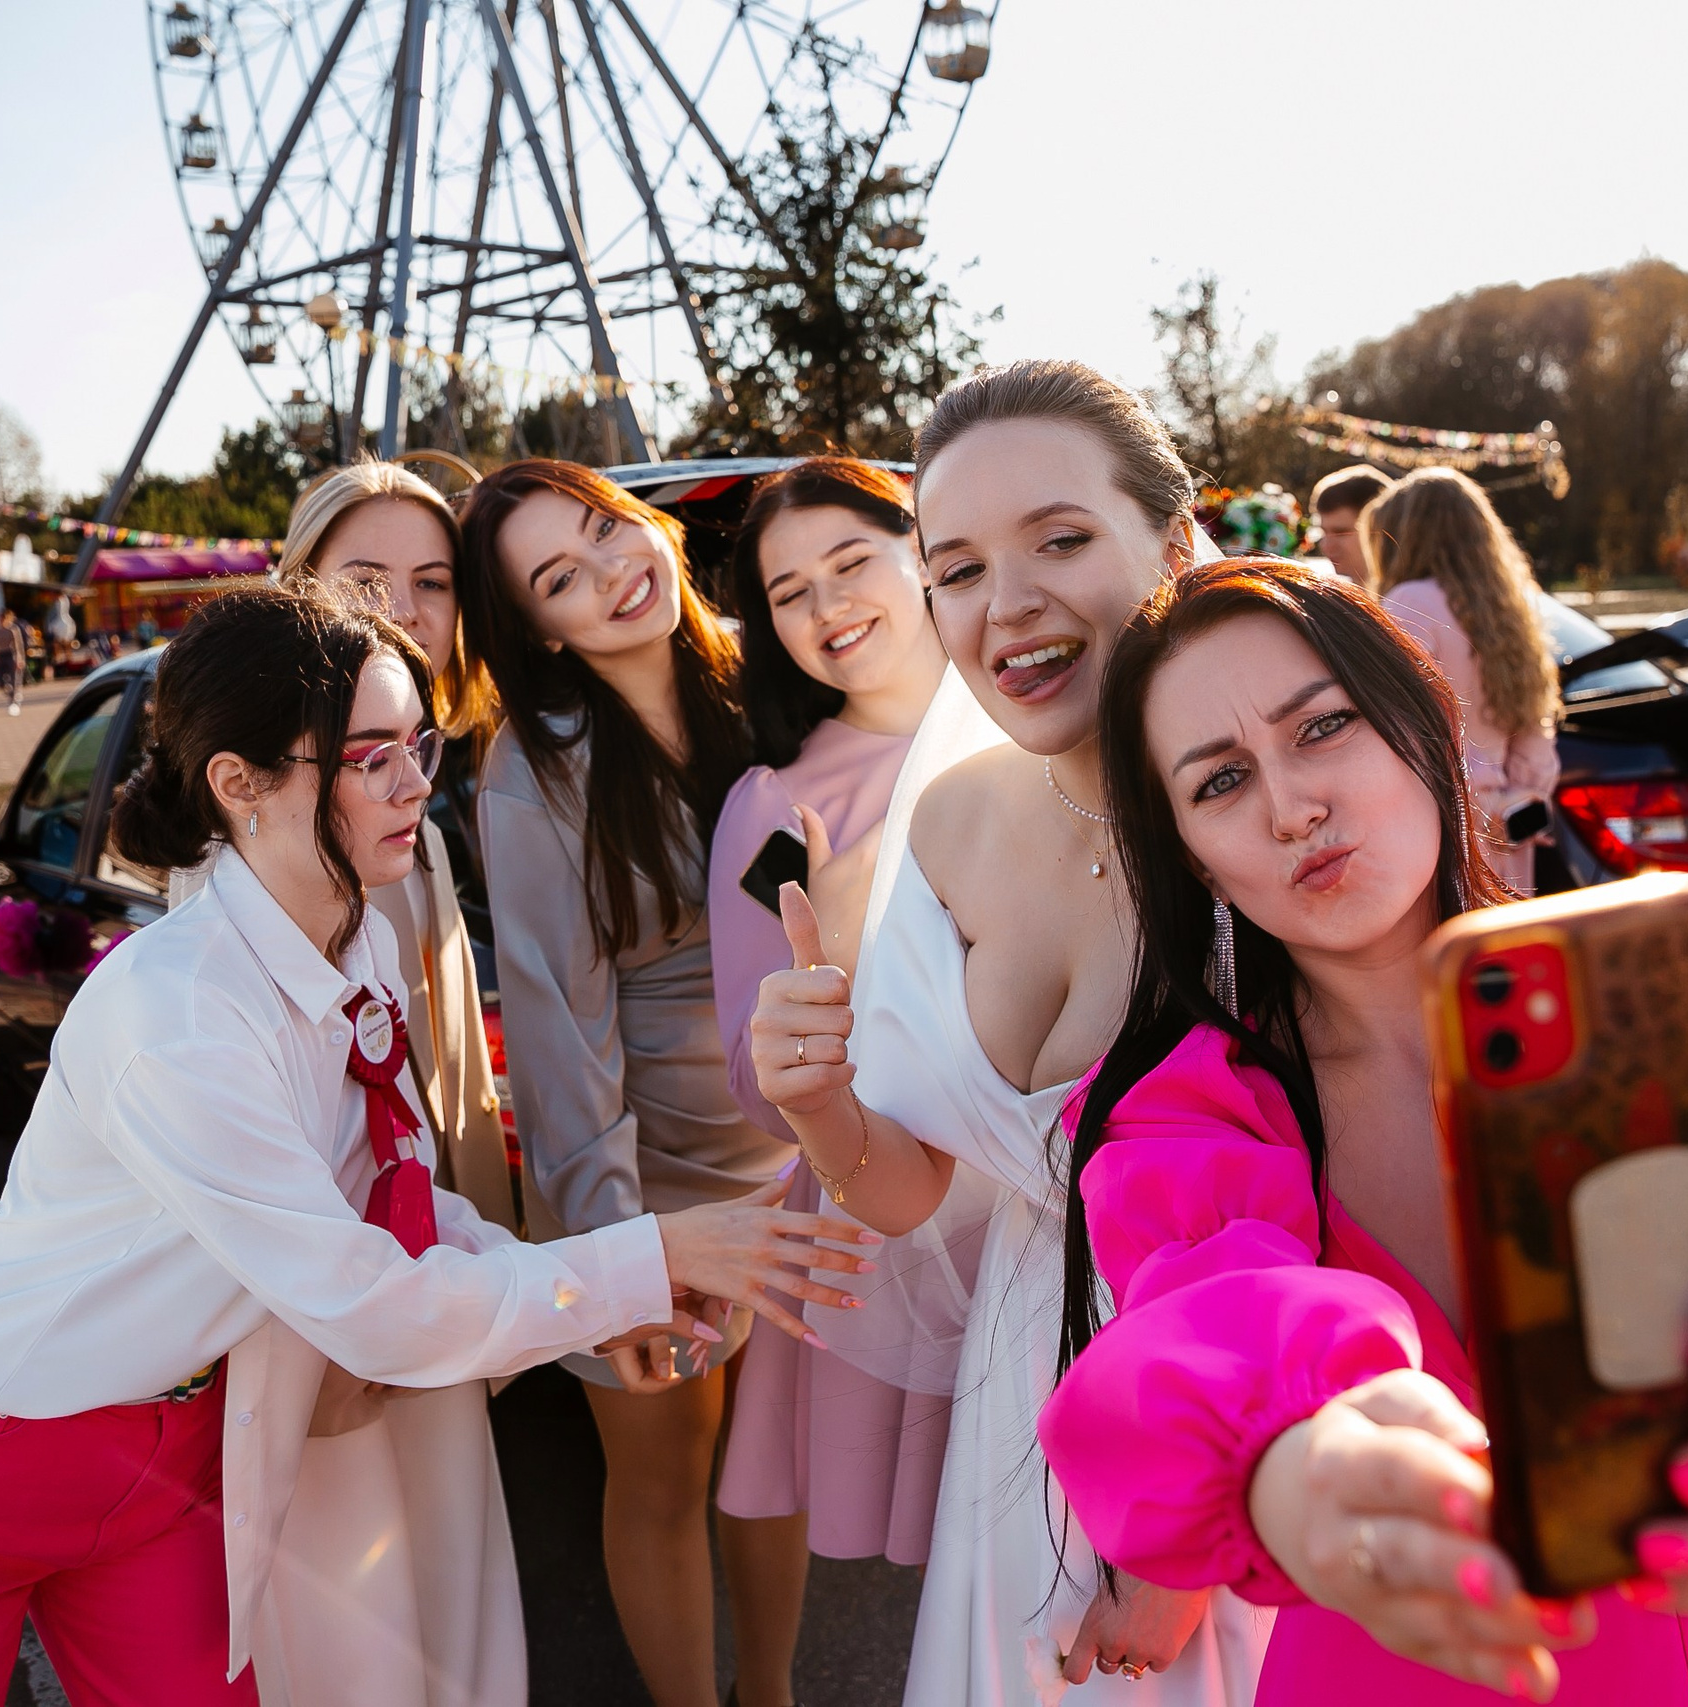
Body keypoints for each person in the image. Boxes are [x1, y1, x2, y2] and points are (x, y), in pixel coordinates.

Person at [0, 585, 874, 1707]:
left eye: (419, 745)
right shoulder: (177, 1009)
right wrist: (653, 1258)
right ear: (236, 785)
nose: (415, 784)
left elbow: (397, 1201)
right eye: (366, 757)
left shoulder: (350, 939)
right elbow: (369, 1301)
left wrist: (621, 1288)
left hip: (172, 1468)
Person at [1036, 559, 1688, 1704]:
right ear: (1189, 852)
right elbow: (1207, 1329)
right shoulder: (1193, 1116)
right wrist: (1295, 1466)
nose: (1289, 806)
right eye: (1217, 784)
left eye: (1323, 729)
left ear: (1416, 721)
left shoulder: (1640, 993)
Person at [751, 360, 1274, 1706]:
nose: (1009, 605)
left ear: (1170, 545)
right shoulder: (951, 821)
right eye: (961, 566)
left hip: (1266, 1423)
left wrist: (1190, 1531)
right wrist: (819, 1102)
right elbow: (919, 1182)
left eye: (1059, 539)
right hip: (1027, 1400)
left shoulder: (1271, 824)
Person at [460, 461, 806, 1707]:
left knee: (778, 1466)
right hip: (639, 1178)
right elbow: (558, 1031)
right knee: (664, 1479)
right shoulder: (532, 768)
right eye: (560, 575)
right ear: (535, 629)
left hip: (794, 1158)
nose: (609, 574)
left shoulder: (770, 680)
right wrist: (618, 1264)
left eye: (609, 532)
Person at [706, 458, 954, 1613]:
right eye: (788, 591)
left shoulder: (1048, 716)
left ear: (922, 550)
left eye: (851, 561)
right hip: (896, 1197)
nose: (828, 604)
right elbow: (766, 1092)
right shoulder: (779, 812)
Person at [271, 458, 513, 1229]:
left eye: (433, 582)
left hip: (466, 1274)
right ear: (301, 589)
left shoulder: (414, 804)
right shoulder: (274, 832)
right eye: (367, 580)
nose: (403, 610)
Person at [1361, 469, 1561, 893]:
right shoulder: (1508, 608)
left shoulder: (1409, 601)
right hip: (1510, 825)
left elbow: (1403, 729)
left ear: (1405, 532)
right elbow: (1535, 727)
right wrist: (1521, 796)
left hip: (1448, 824)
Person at [1306, 465, 1391, 584]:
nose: (1326, 546)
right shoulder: (1332, 596)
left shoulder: (1412, 598)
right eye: (1324, 532)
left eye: (1341, 533)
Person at [0, 608, 28, 715]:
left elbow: (18, 646)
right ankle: (11, 694)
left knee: (14, 679)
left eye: (1, 619)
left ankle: (14, 700)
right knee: (1, 682)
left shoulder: (13, 630)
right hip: (1, 657)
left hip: (11, 656)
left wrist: (20, 659)